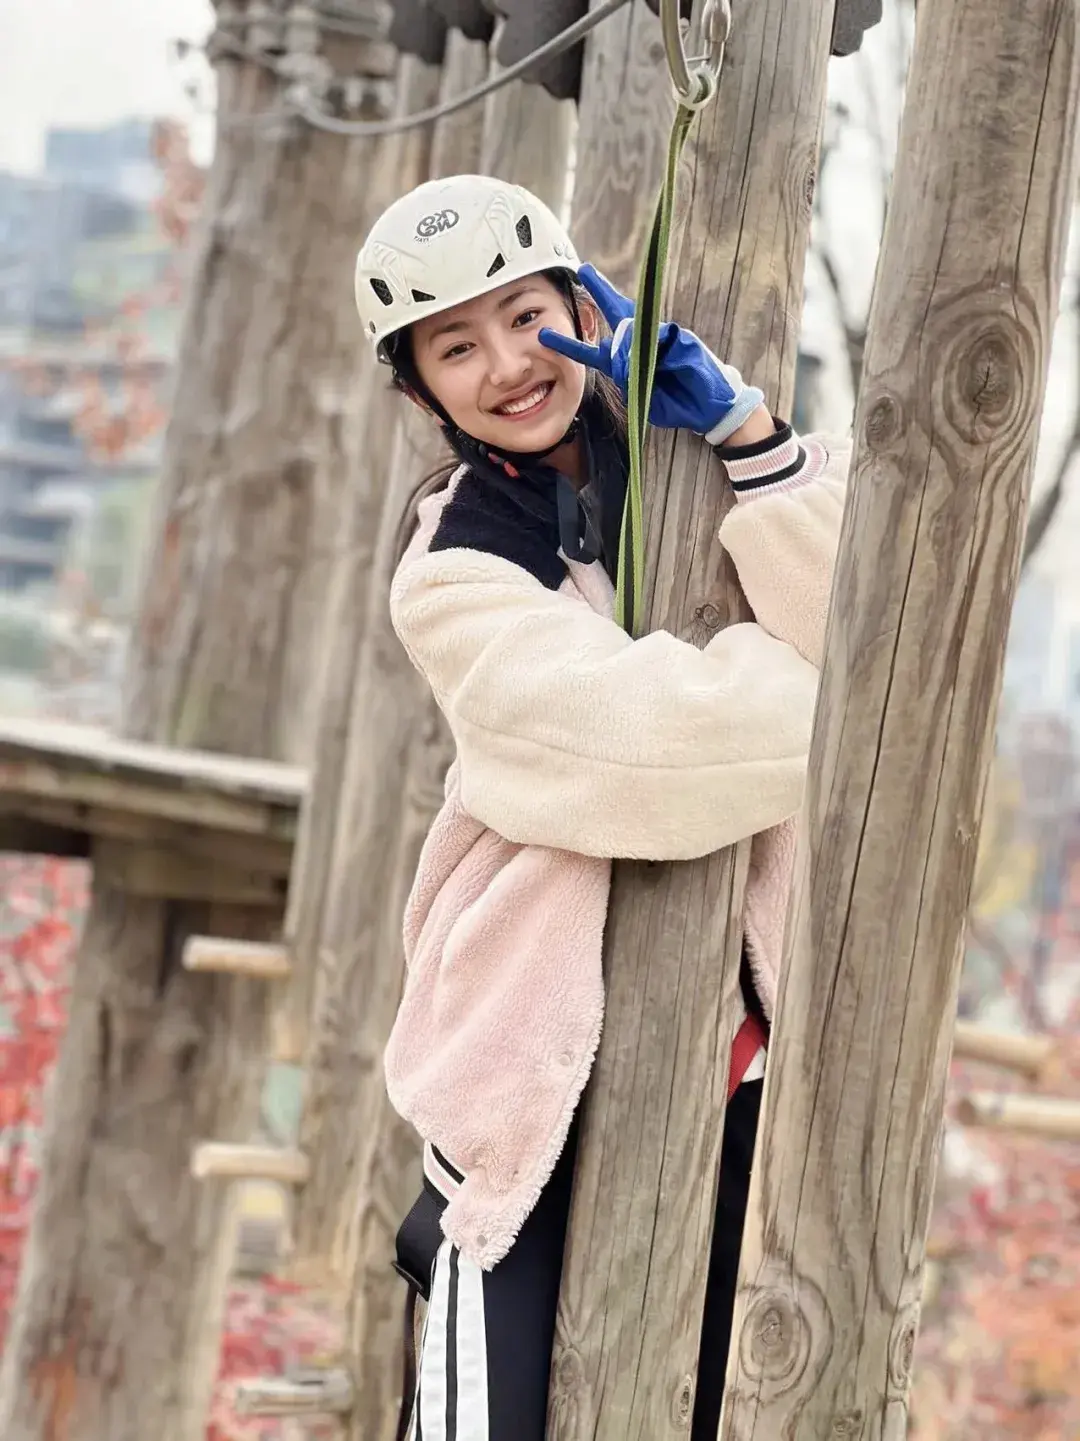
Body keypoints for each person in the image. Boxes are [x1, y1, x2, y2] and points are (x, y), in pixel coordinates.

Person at [353, 174, 849, 1441]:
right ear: (420, 392)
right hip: (533, 1073)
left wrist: (749, 437)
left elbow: (884, 629)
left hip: (747, 1056)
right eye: (456, 347)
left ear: (585, 308)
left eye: (526, 316)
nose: (509, 364)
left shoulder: (728, 462)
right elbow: (651, 755)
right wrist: (834, 702)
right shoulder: (455, 567)